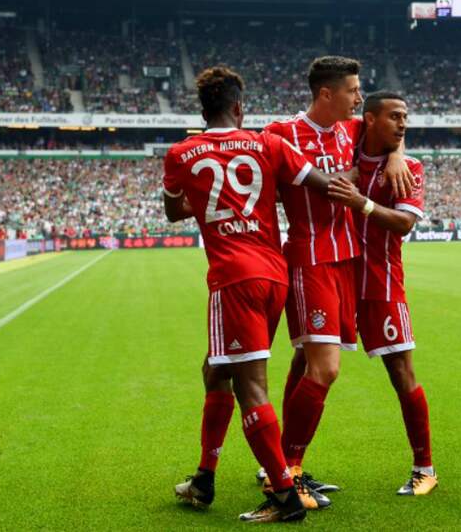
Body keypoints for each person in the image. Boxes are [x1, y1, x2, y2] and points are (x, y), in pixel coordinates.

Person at [163, 66, 334, 522]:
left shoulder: (181, 153)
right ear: (239, 108)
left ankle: (283, 495)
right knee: (215, 369)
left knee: (249, 385)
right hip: (274, 275)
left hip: (232, 278)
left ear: (203, 111)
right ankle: (204, 477)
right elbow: (320, 182)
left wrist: (205, 197)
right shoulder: (268, 143)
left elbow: (173, 210)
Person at [260, 56, 413, 497]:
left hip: (349, 261)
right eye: (351, 89)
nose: (358, 96)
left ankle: (284, 463)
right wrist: (339, 178)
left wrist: (398, 155)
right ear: (326, 93)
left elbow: (392, 128)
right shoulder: (281, 133)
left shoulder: (352, 129)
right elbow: (309, 182)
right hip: (311, 259)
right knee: (324, 370)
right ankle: (285, 471)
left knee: (305, 361)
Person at [327, 91, 436, 496]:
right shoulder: (343, 148)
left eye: (406, 117)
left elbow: (405, 223)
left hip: (382, 284)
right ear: (369, 120)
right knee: (308, 365)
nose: (403, 124)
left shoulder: (408, 167)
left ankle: (424, 468)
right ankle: (287, 465)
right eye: (395, 117)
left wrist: (363, 203)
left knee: (401, 373)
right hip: (335, 278)